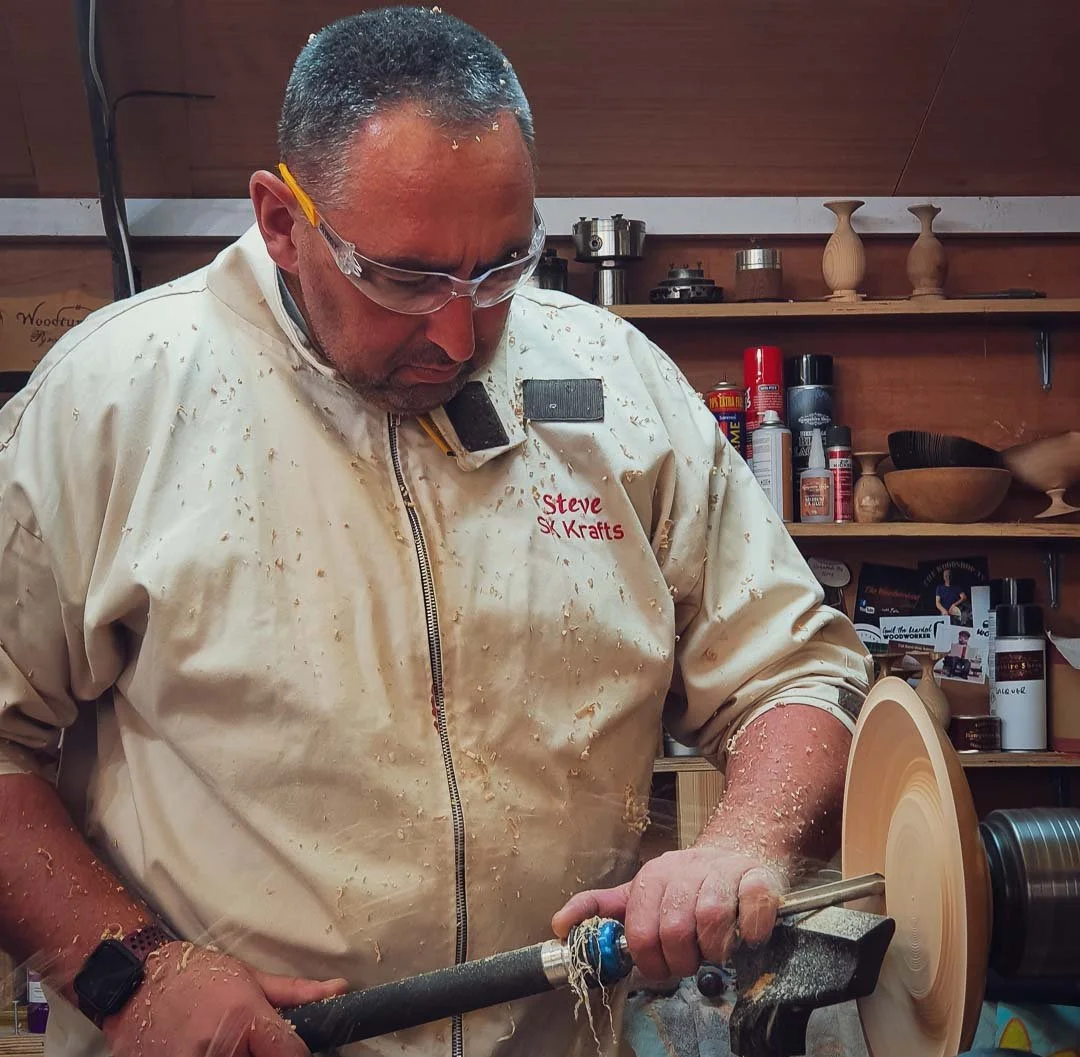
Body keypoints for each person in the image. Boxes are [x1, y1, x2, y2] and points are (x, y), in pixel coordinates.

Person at [0, 8, 871, 1056]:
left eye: (503, 267)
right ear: (283, 221)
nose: (460, 334)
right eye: (405, 278)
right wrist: (128, 970)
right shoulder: (116, 397)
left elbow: (798, 672)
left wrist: (745, 844)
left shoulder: (606, 382)